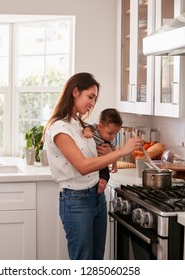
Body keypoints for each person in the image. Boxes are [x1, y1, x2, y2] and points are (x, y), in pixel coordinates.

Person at [43, 72, 143, 260]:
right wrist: (120, 152)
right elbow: (82, 166)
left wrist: (105, 154)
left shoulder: (79, 123)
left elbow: (89, 155)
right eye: (90, 96)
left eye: (95, 98)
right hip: (76, 201)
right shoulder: (59, 128)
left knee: (97, 259)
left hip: (96, 197)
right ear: (75, 92)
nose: (92, 103)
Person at [83, 108, 123, 194]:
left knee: (105, 172)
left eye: (115, 134)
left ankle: (102, 182)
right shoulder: (94, 129)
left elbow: (114, 152)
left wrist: (114, 164)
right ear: (100, 127)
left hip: (101, 163)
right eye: (110, 133)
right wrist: (87, 131)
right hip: (91, 162)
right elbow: (88, 127)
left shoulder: (111, 140)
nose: (112, 137)